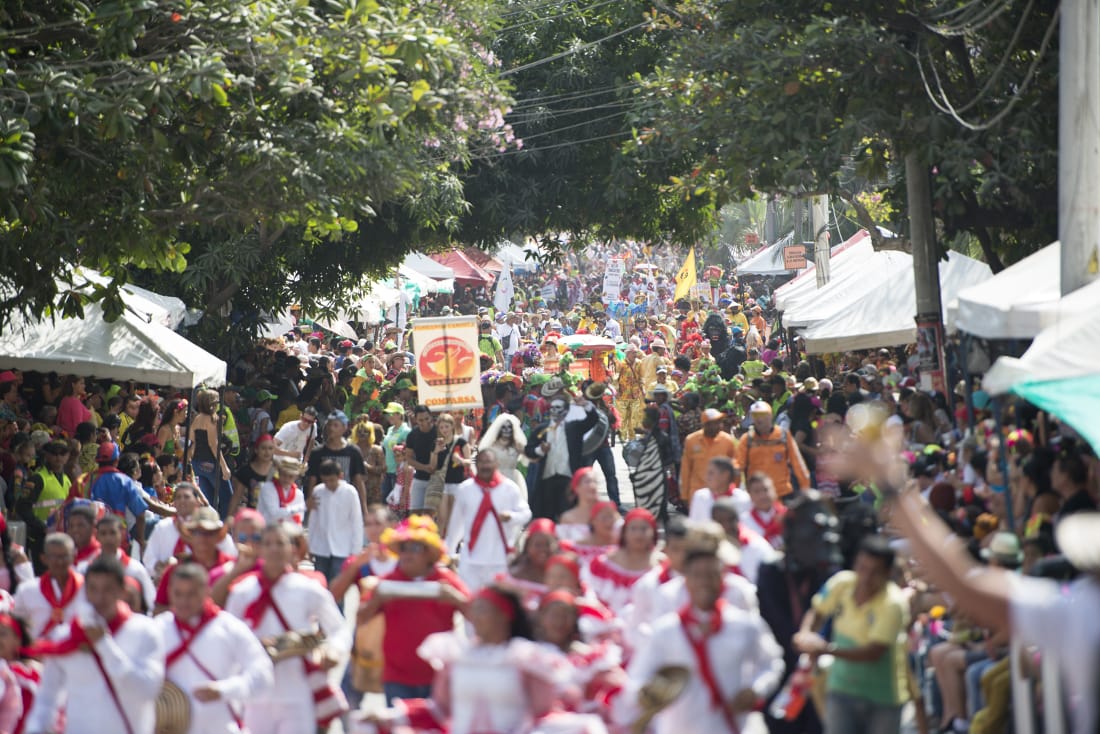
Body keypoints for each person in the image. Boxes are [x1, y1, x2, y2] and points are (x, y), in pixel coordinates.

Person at [894, 494, 1100, 734]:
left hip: (1002, 656)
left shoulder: (1078, 608)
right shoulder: (1077, 605)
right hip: (998, 653)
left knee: (980, 675)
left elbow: (964, 589)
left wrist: (893, 491)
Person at [616, 546, 784, 734]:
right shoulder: (666, 631)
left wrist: (756, 690)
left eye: (712, 575)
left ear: (722, 580)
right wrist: (645, 694)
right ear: (686, 580)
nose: (704, 582)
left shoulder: (745, 625)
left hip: (734, 727)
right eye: (697, 575)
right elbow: (636, 678)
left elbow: (772, 663)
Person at [369, 587, 566, 734]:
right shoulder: (456, 656)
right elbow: (439, 709)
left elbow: (543, 715)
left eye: (483, 609)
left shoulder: (526, 659)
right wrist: (392, 716)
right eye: (474, 609)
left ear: (504, 615)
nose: (475, 616)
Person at [225, 522, 349, 733]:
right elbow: (226, 636)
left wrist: (333, 651)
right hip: (257, 695)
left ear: (291, 549)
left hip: (296, 692)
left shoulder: (307, 589)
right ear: (260, 549)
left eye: (280, 543)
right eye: (268, 543)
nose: (274, 549)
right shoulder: (243, 591)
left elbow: (339, 628)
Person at [25, 557, 164, 734]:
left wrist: (104, 645)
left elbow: (147, 690)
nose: (100, 597)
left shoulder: (146, 631)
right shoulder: (65, 636)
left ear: (122, 591)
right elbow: (47, 697)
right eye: (93, 589)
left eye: (108, 589)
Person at [793, 535, 911, 734]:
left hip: (883, 697)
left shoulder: (894, 604)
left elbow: (873, 652)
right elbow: (817, 611)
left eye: (875, 572)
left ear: (888, 573)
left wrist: (825, 650)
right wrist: (805, 634)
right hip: (841, 689)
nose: (866, 578)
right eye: (862, 568)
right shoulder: (842, 583)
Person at [357, 515, 470, 705]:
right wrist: (376, 600)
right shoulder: (388, 581)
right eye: (403, 548)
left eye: (415, 548)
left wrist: (455, 599)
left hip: (439, 677)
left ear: (429, 553)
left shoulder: (446, 581)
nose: (407, 554)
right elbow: (361, 617)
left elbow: (479, 617)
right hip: (397, 677)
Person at [755, 491, 841, 734]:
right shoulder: (771, 571)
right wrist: (799, 643)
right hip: (783, 667)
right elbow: (773, 619)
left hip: (822, 667)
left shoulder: (831, 572)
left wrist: (820, 647)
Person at [157, 562, 274, 734]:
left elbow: (263, 676)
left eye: (191, 594)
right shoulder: (158, 629)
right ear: (169, 593)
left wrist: (224, 690)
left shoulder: (229, 628)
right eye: (178, 594)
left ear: (206, 592)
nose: (184, 601)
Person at [445, 448, 531, 592]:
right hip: (471, 559)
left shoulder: (510, 488)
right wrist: (449, 552)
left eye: (489, 462)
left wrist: (511, 517)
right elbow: (456, 524)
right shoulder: (465, 489)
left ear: (496, 464)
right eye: (481, 462)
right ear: (476, 464)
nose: (485, 466)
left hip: (499, 559)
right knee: (469, 600)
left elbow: (526, 513)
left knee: (496, 605)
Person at [142, 483, 236, 579]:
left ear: (197, 502)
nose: (182, 500)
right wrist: (160, 568)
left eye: (186, 497)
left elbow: (230, 557)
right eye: (178, 497)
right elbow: (149, 559)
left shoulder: (213, 527)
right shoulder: (162, 527)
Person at [154, 507, 236, 614]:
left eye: (209, 533)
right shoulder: (175, 570)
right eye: (197, 533)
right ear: (190, 536)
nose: (202, 539)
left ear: (218, 536)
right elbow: (158, 610)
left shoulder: (233, 567)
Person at [584, 508, 660, 615]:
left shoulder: (663, 566)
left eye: (644, 529)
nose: (638, 535)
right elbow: (591, 597)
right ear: (624, 533)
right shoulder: (602, 564)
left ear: (653, 533)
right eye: (633, 529)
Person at [76, 515, 156, 613]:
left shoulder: (135, 569)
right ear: (96, 536)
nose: (108, 538)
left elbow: (151, 604)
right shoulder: (84, 569)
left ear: (122, 534)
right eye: (103, 533)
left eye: (112, 533)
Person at [734, 402, 810, 500]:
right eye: (755, 415)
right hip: (757, 496)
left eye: (762, 415)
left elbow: (798, 464)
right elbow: (737, 466)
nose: (759, 419)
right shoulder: (747, 439)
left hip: (782, 493)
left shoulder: (783, 436)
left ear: (770, 416)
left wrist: (805, 489)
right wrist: (735, 491)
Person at [306, 459, 365, 585]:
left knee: (337, 585)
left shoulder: (350, 492)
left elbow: (356, 521)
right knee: (320, 584)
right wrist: (310, 546)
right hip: (321, 546)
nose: (328, 484)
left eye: (332, 480)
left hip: (343, 547)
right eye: (325, 481)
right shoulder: (318, 491)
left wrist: (356, 551)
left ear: (340, 476)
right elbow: (313, 520)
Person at [305, 410, 368, 512]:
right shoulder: (317, 452)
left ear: (344, 427)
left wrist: (364, 508)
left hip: (346, 501)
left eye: (335, 425)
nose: (331, 429)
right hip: (323, 502)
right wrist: (310, 501)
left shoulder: (353, 452)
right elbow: (313, 479)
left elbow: (359, 481)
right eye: (329, 425)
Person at [526, 394, 574, 520]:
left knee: (567, 517)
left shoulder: (574, 428)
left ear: (566, 410)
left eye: (558, 407)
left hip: (568, 479)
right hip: (547, 480)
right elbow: (529, 449)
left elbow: (591, 421)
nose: (554, 411)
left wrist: (586, 406)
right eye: (552, 407)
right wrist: (539, 450)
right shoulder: (542, 429)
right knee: (547, 516)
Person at [188, 389, 234, 515]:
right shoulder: (212, 419)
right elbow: (213, 445)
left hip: (197, 462)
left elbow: (192, 441)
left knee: (207, 500)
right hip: (212, 463)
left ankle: (207, 526)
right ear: (213, 404)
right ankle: (223, 528)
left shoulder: (196, 419)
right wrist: (224, 468)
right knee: (227, 498)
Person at [680, 409, 738, 507]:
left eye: (720, 422)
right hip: (697, 495)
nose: (720, 425)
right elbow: (685, 470)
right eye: (716, 423)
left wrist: (734, 491)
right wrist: (684, 496)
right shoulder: (691, 440)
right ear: (706, 424)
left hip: (721, 496)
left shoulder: (728, 441)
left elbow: (735, 468)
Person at [629, 407, 674, 518]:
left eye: (645, 418)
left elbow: (668, 458)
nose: (643, 420)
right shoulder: (650, 437)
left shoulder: (660, 438)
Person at [478, 413, 527, 502]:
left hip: (513, 479)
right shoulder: (491, 445)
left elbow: (527, 460)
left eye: (509, 427)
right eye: (504, 427)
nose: (507, 430)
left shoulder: (517, 446)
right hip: (495, 479)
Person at [228, 434, 275, 516]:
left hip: (273, 518)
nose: (267, 452)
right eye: (263, 448)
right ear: (256, 450)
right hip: (253, 518)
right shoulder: (246, 471)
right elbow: (236, 497)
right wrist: (229, 519)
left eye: (270, 448)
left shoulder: (278, 470)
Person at [740, 473, 787, 550]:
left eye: (766, 490)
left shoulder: (787, 515)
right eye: (756, 491)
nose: (762, 496)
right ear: (750, 495)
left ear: (774, 490)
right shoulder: (744, 521)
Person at [256, 456, 306, 526]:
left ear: (296, 477)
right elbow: (274, 513)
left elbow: (300, 518)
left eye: (291, 476)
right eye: (284, 475)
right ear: (279, 473)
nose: (286, 479)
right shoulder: (268, 488)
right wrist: (301, 507)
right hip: (266, 531)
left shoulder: (298, 493)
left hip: (288, 533)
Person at [380, 403, 411, 504]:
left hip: (398, 473)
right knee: (385, 501)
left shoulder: (406, 431)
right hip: (387, 471)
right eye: (388, 414)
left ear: (399, 414)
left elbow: (409, 453)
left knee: (396, 503)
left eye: (392, 413)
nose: (389, 417)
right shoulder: (389, 429)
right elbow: (386, 450)